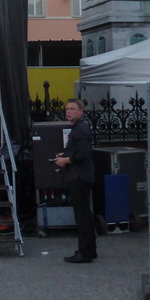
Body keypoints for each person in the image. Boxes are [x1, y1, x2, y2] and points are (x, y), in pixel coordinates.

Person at [54, 98, 97, 263]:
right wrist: (65, 155)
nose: (68, 111)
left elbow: (84, 153)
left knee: (82, 215)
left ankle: (84, 252)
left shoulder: (80, 129)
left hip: (79, 176)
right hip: (82, 175)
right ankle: (89, 250)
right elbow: (78, 150)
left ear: (80, 112)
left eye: (72, 109)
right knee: (85, 213)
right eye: (67, 109)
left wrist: (66, 161)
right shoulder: (79, 128)